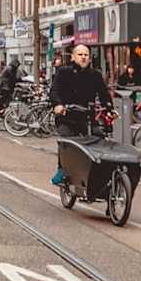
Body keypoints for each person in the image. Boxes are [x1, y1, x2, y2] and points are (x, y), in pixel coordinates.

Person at [47, 44, 111, 186]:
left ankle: (97, 172)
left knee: (99, 137)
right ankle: (62, 171)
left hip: (87, 117)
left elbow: (103, 94)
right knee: (66, 141)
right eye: (80, 54)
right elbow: (54, 90)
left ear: (89, 57)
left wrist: (109, 107)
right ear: (73, 57)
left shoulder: (95, 75)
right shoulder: (63, 72)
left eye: (86, 55)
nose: (83, 57)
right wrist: (58, 104)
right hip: (67, 116)